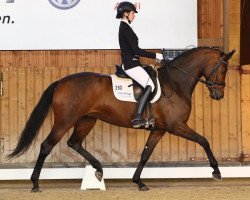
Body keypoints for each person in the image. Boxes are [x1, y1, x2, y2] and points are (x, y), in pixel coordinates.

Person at [116, 1, 164, 128]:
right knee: (150, 85)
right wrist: (156, 55)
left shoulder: (126, 27)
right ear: (125, 14)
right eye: (132, 13)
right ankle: (137, 118)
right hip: (130, 65)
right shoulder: (125, 28)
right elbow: (136, 50)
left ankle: (148, 115)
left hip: (133, 63)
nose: (134, 16)